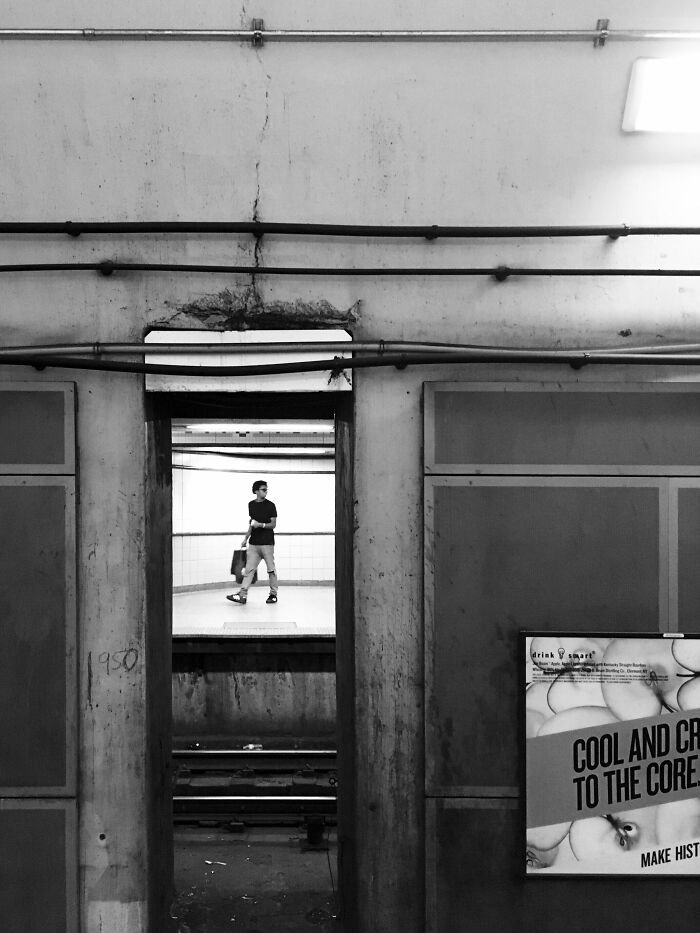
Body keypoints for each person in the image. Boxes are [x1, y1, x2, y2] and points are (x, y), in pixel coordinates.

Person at [227, 479, 278, 605]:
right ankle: (242, 595)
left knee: (271, 570)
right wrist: (246, 538)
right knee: (249, 570)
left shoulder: (271, 505)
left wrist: (260, 524)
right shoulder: (251, 505)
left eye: (266, 489)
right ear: (256, 491)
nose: (266, 491)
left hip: (267, 543)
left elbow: (273, 524)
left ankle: (273, 594)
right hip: (254, 544)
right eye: (263, 489)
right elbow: (251, 523)